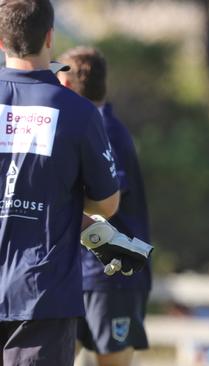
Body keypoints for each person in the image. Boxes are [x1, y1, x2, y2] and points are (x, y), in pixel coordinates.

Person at [0, 1, 120, 365]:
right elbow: (108, 204)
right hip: (42, 299)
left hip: (42, 300)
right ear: (50, 36)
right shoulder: (79, 111)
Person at [56, 46, 152, 366]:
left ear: (67, 85)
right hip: (76, 275)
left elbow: (108, 197)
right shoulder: (84, 127)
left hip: (111, 278)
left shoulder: (105, 129)